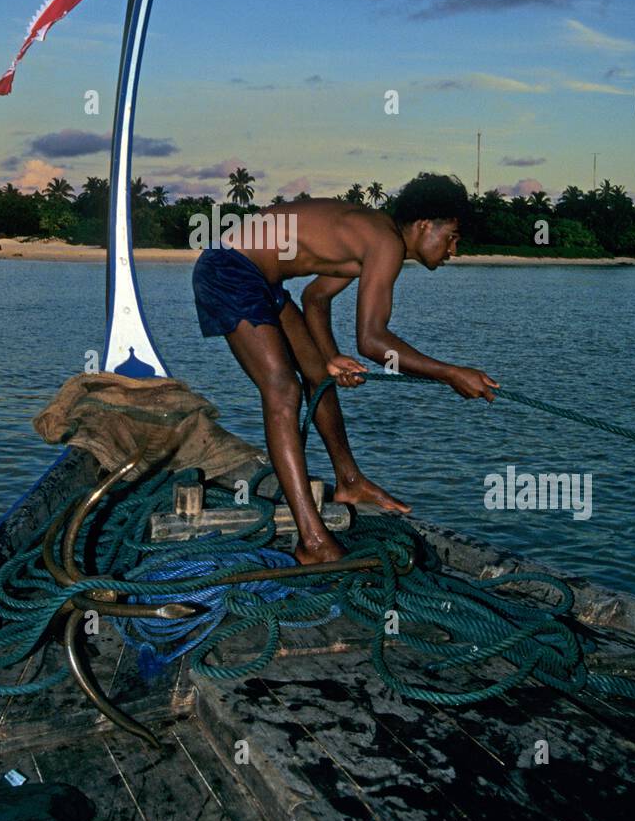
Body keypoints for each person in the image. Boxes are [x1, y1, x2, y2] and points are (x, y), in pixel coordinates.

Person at [191, 173, 498, 564]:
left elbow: (315, 297)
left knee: (320, 376)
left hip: (263, 280)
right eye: (452, 237)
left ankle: (349, 482)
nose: (454, 250)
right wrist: (451, 372)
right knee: (283, 391)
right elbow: (372, 341)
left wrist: (332, 357)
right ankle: (312, 542)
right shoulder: (385, 241)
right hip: (230, 268)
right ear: (424, 226)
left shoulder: (376, 238)